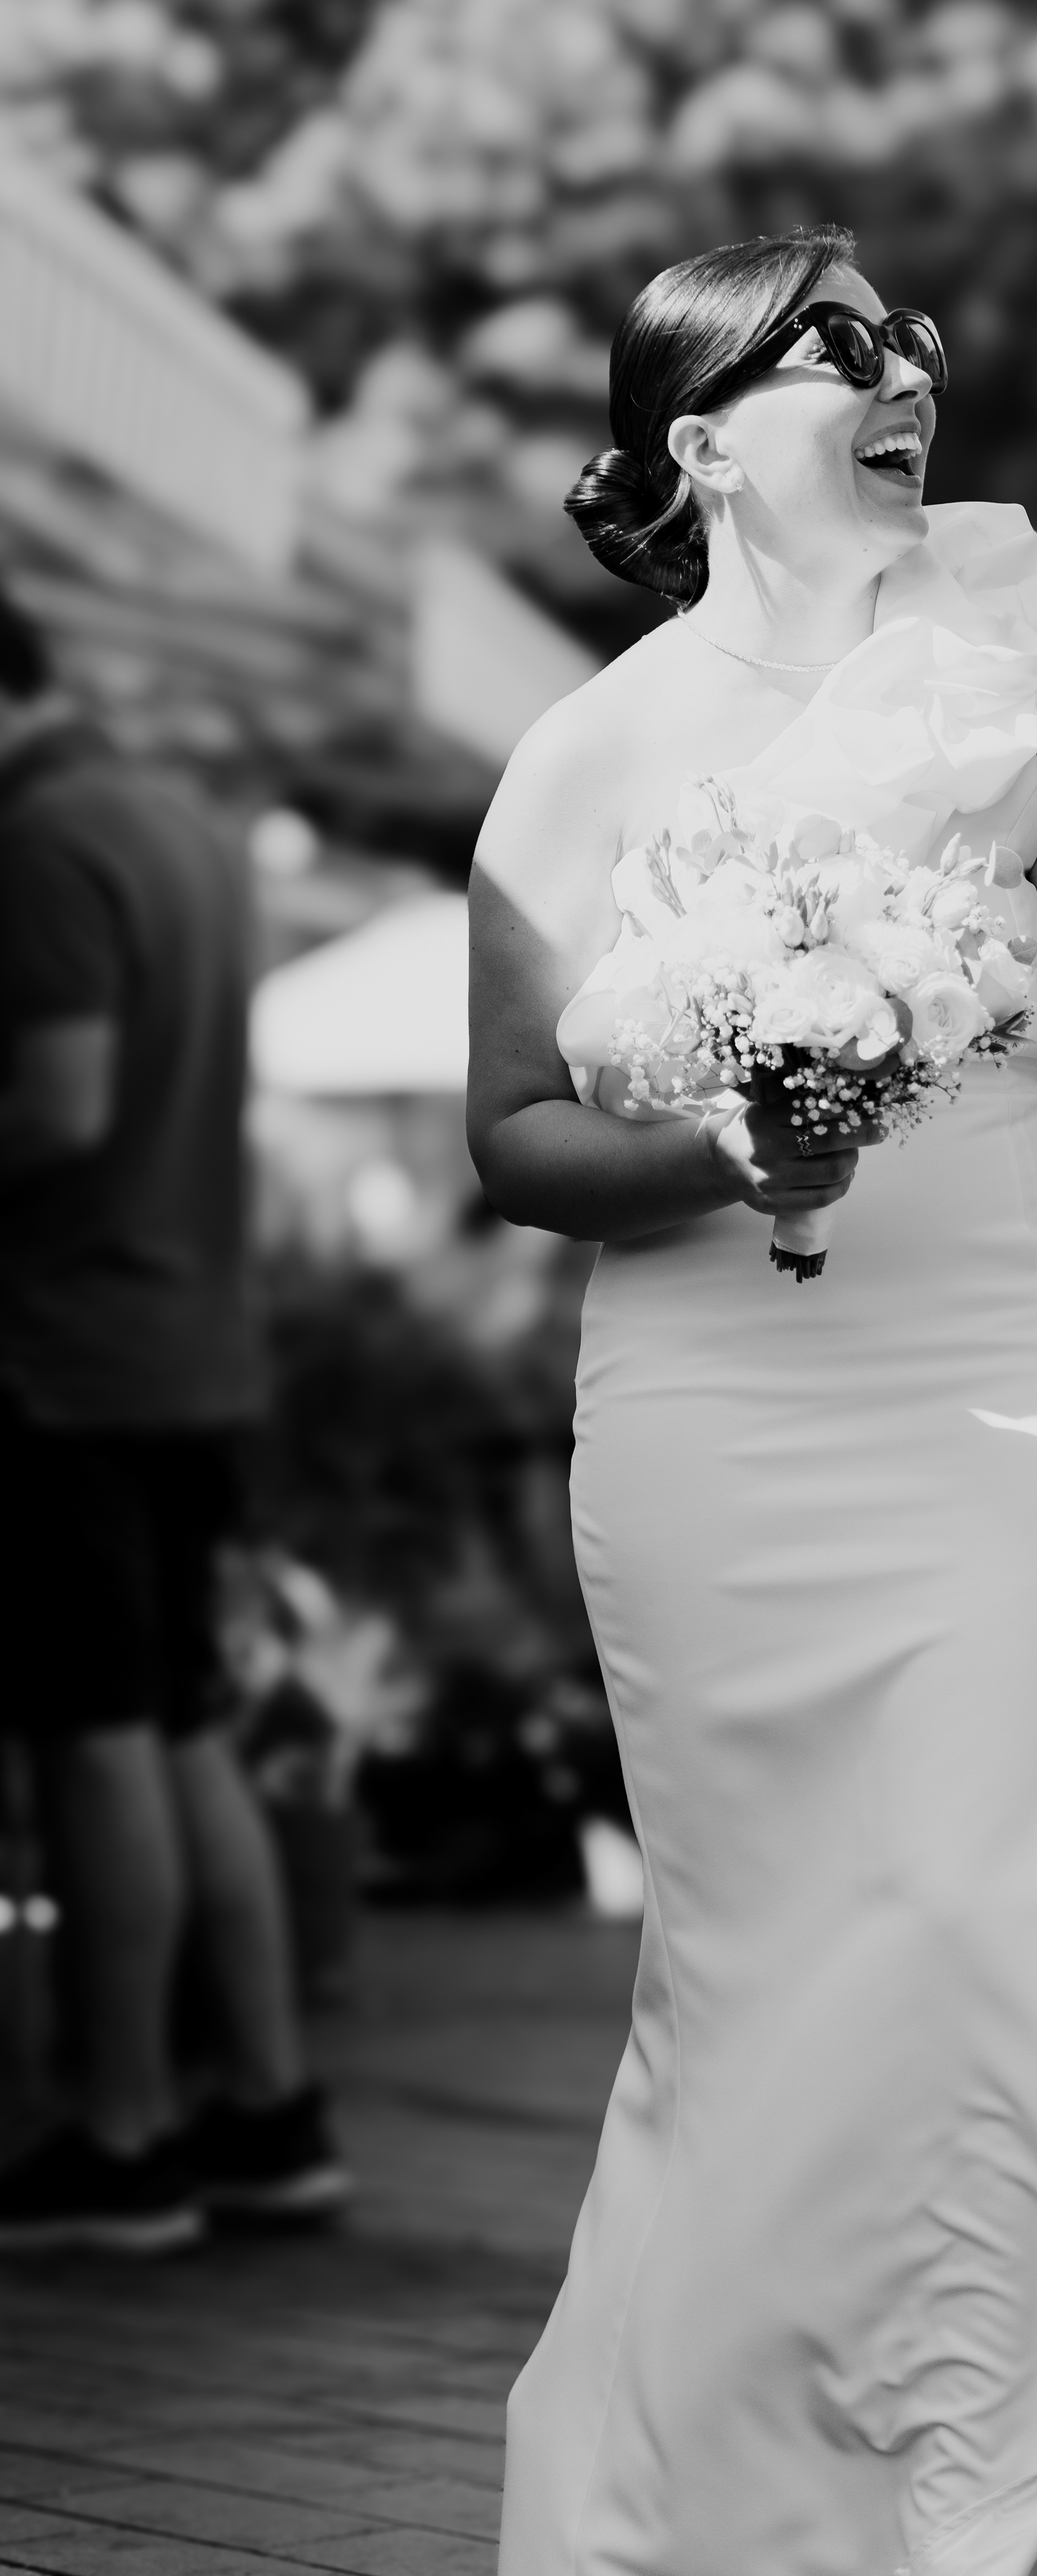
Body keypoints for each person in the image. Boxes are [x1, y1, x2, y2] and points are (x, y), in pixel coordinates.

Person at [474, 229, 1037, 2576]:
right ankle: (719, 2493)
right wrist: (722, 1151)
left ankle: (979, 2490)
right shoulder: (581, 754)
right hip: (707, 1421)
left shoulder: (1016, 683)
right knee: (761, 1959)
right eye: (830, 346)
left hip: (1007, 1390)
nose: (900, 371)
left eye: (907, 336)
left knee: (962, 1896)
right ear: (700, 445)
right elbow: (512, 1138)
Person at [0, 587, 347, 2254]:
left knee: (97, 1739)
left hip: (64, 1352)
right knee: (187, 1725)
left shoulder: (40, 842)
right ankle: (266, 2112)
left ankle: (123, 2135)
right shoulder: (179, 826)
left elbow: (57, 1107)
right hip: (189, 1344)